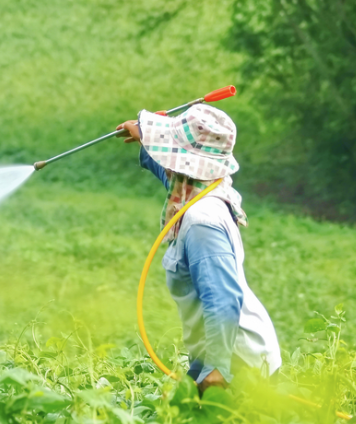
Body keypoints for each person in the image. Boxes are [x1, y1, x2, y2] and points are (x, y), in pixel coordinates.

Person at [117, 104, 281, 394]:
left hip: (237, 364)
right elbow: (171, 175)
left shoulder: (201, 221)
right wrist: (145, 138)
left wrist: (218, 369)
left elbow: (223, 299)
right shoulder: (202, 188)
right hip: (223, 354)